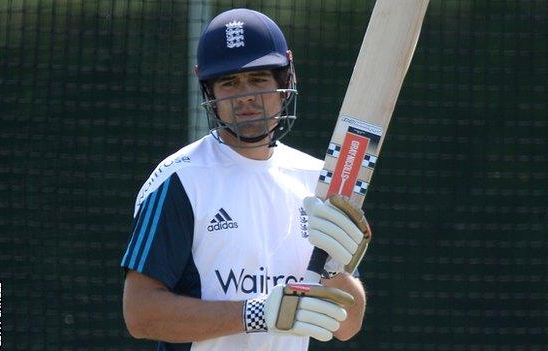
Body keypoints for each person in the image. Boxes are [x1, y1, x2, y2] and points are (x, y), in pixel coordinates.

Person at [121, 8, 369, 351]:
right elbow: (140, 314)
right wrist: (256, 314)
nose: (246, 96)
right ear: (210, 92)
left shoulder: (314, 178)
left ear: (284, 83)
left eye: (258, 79)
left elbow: (348, 325)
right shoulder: (179, 180)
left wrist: (333, 268)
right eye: (229, 82)